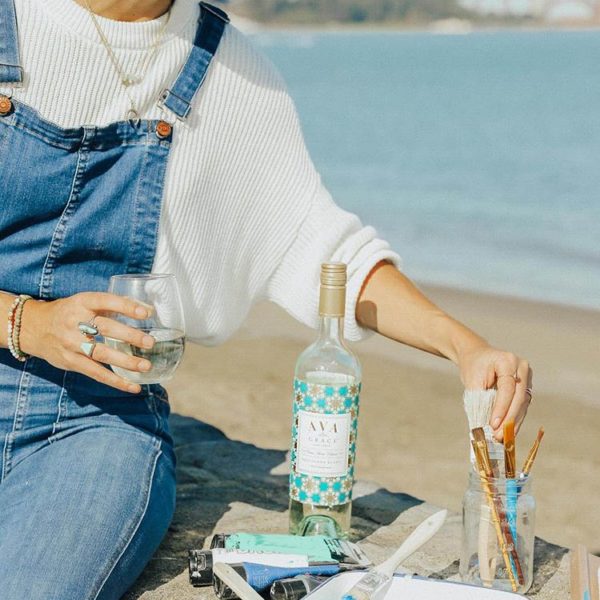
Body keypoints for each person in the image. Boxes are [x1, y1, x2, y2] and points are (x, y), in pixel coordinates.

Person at [0, 0, 533, 597]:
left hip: (92, 425)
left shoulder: (231, 74)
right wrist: (27, 322)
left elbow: (322, 248)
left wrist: (464, 345)